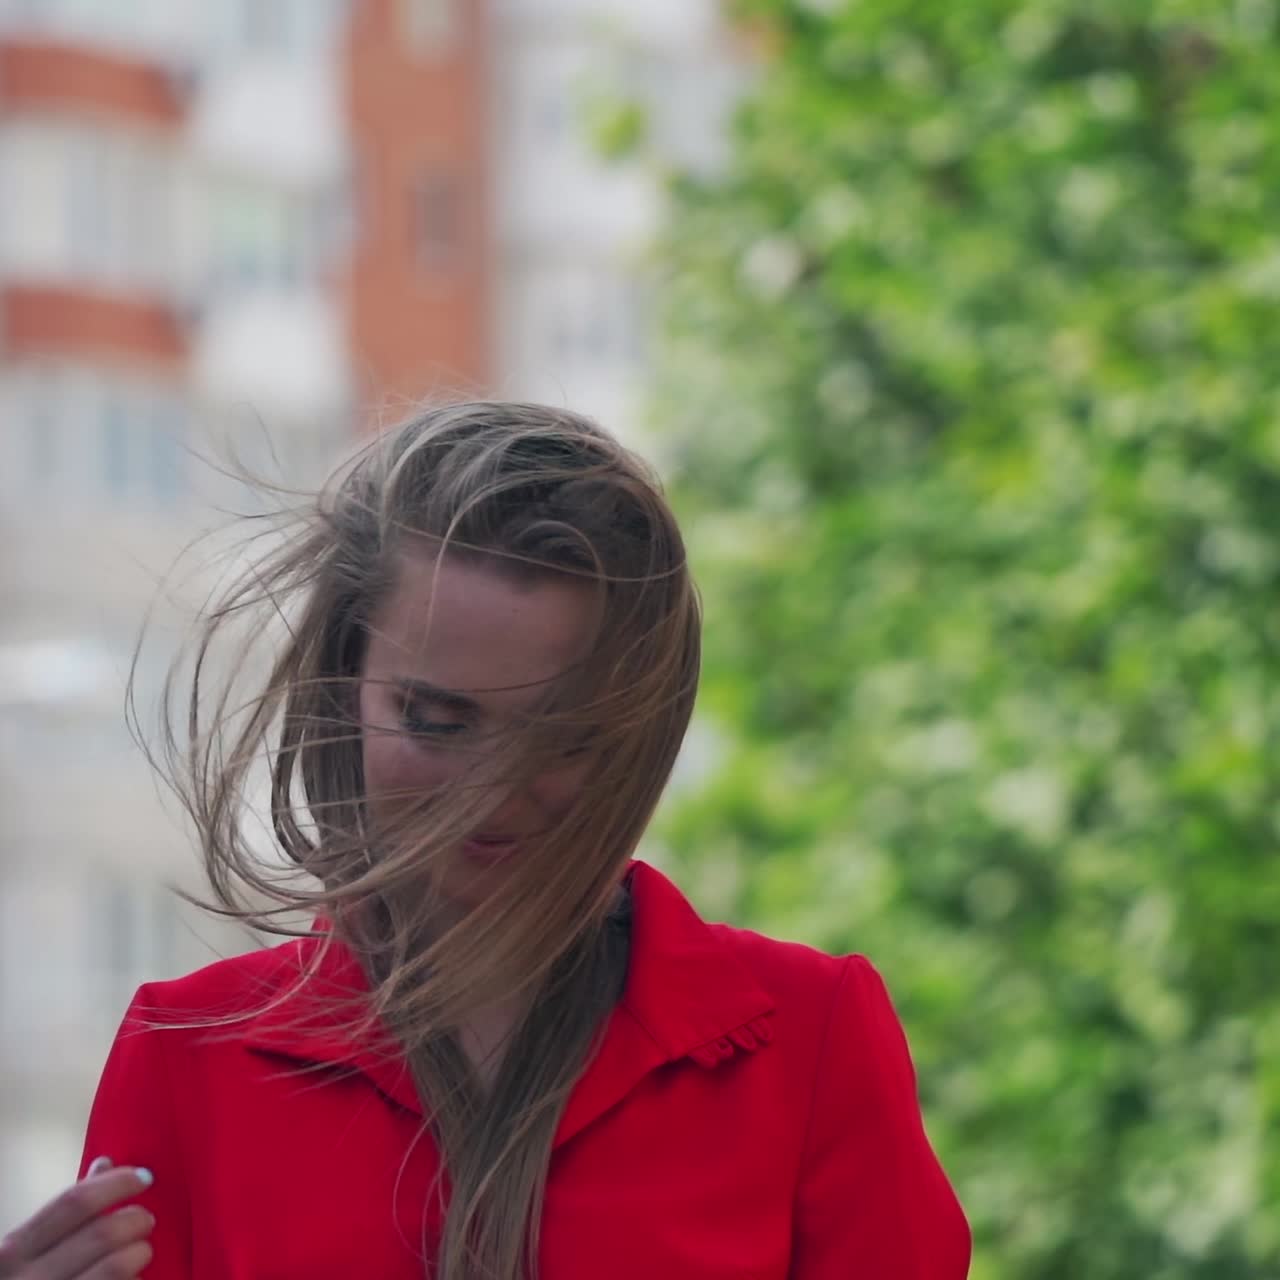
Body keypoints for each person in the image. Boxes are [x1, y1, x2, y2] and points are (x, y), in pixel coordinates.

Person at [0, 403, 970, 1279]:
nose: (489, 793)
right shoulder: (189, 1057)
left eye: (562, 738)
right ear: (343, 687)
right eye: (436, 720)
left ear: (639, 730)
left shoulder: (809, 1040)